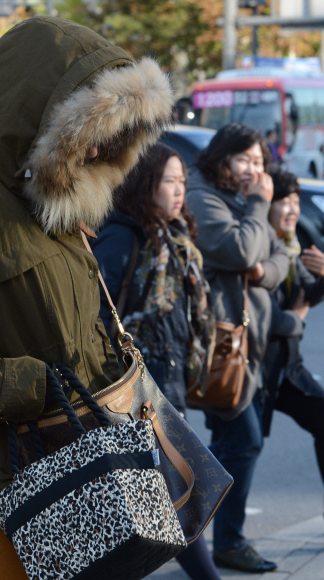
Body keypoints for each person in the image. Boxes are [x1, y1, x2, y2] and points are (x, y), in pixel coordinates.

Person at [0, 16, 175, 580]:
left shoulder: (56, 201)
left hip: (71, 480)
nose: (101, 145)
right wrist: (30, 385)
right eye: (91, 127)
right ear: (45, 119)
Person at [92, 142, 220, 580]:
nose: (180, 190)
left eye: (183, 181)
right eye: (170, 181)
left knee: (164, 499)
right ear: (145, 183)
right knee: (174, 496)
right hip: (135, 393)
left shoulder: (172, 239)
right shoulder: (122, 238)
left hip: (166, 385)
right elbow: (96, 318)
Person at [186, 123, 290, 573]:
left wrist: (262, 271)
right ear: (221, 158)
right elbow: (243, 249)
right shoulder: (205, 195)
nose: (254, 170)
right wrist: (260, 207)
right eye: (244, 160)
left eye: (260, 162)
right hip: (220, 344)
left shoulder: (242, 202)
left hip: (250, 344)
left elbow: (280, 255)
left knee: (234, 440)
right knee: (241, 439)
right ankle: (222, 540)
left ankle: (216, 538)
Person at [262, 166, 324, 485]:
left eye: (296, 201)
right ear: (266, 205)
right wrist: (297, 319)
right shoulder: (259, 248)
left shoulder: (291, 246)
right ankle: (230, 535)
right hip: (256, 371)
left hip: (289, 368)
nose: (293, 209)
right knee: (240, 448)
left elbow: (307, 294)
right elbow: (271, 319)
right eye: (284, 201)